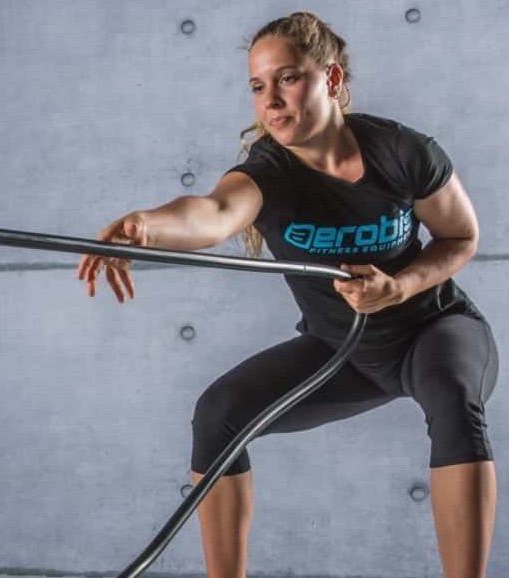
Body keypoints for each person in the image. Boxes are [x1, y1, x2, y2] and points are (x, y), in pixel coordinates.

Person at [76, 12, 497, 578]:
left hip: (434, 332)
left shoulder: (402, 151)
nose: (270, 100)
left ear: (332, 78)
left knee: (451, 395)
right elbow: (214, 212)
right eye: (257, 86)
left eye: (288, 79)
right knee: (219, 415)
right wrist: (146, 226)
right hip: (344, 351)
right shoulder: (268, 174)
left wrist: (399, 286)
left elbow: (461, 236)